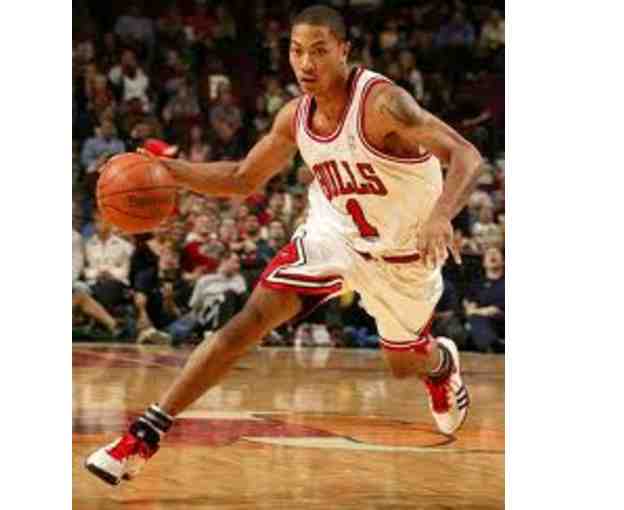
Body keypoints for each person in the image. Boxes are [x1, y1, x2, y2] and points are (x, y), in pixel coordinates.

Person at [86, 5, 483, 485]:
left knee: (403, 364)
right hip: (334, 234)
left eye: (319, 50)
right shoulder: (294, 117)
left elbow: (466, 155)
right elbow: (241, 177)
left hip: (403, 254)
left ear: (344, 50)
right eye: (297, 51)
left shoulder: (383, 104)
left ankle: (440, 365)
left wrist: (442, 215)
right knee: (249, 321)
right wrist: (172, 172)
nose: (306, 63)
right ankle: (144, 436)